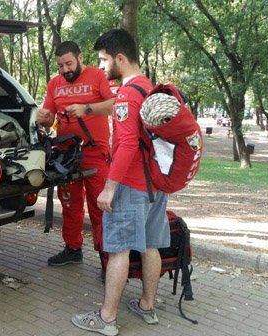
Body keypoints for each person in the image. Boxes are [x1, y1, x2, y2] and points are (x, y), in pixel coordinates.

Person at [70, 29, 170, 335]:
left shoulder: (127, 94)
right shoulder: (148, 87)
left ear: (120, 58)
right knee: (150, 246)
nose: (100, 67)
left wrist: (110, 187)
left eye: (103, 60)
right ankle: (146, 306)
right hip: (156, 184)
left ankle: (107, 318)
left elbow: (126, 145)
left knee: (119, 251)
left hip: (131, 185)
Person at [36, 41, 115, 266]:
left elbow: (114, 104)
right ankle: (72, 248)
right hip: (66, 155)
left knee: (100, 207)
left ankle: (107, 259)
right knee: (70, 204)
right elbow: (50, 117)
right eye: (60, 66)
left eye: (68, 63)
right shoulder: (54, 84)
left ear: (80, 58)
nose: (65, 70)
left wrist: (87, 108)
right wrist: (44, 118)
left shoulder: (97, 76)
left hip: (94, 152)